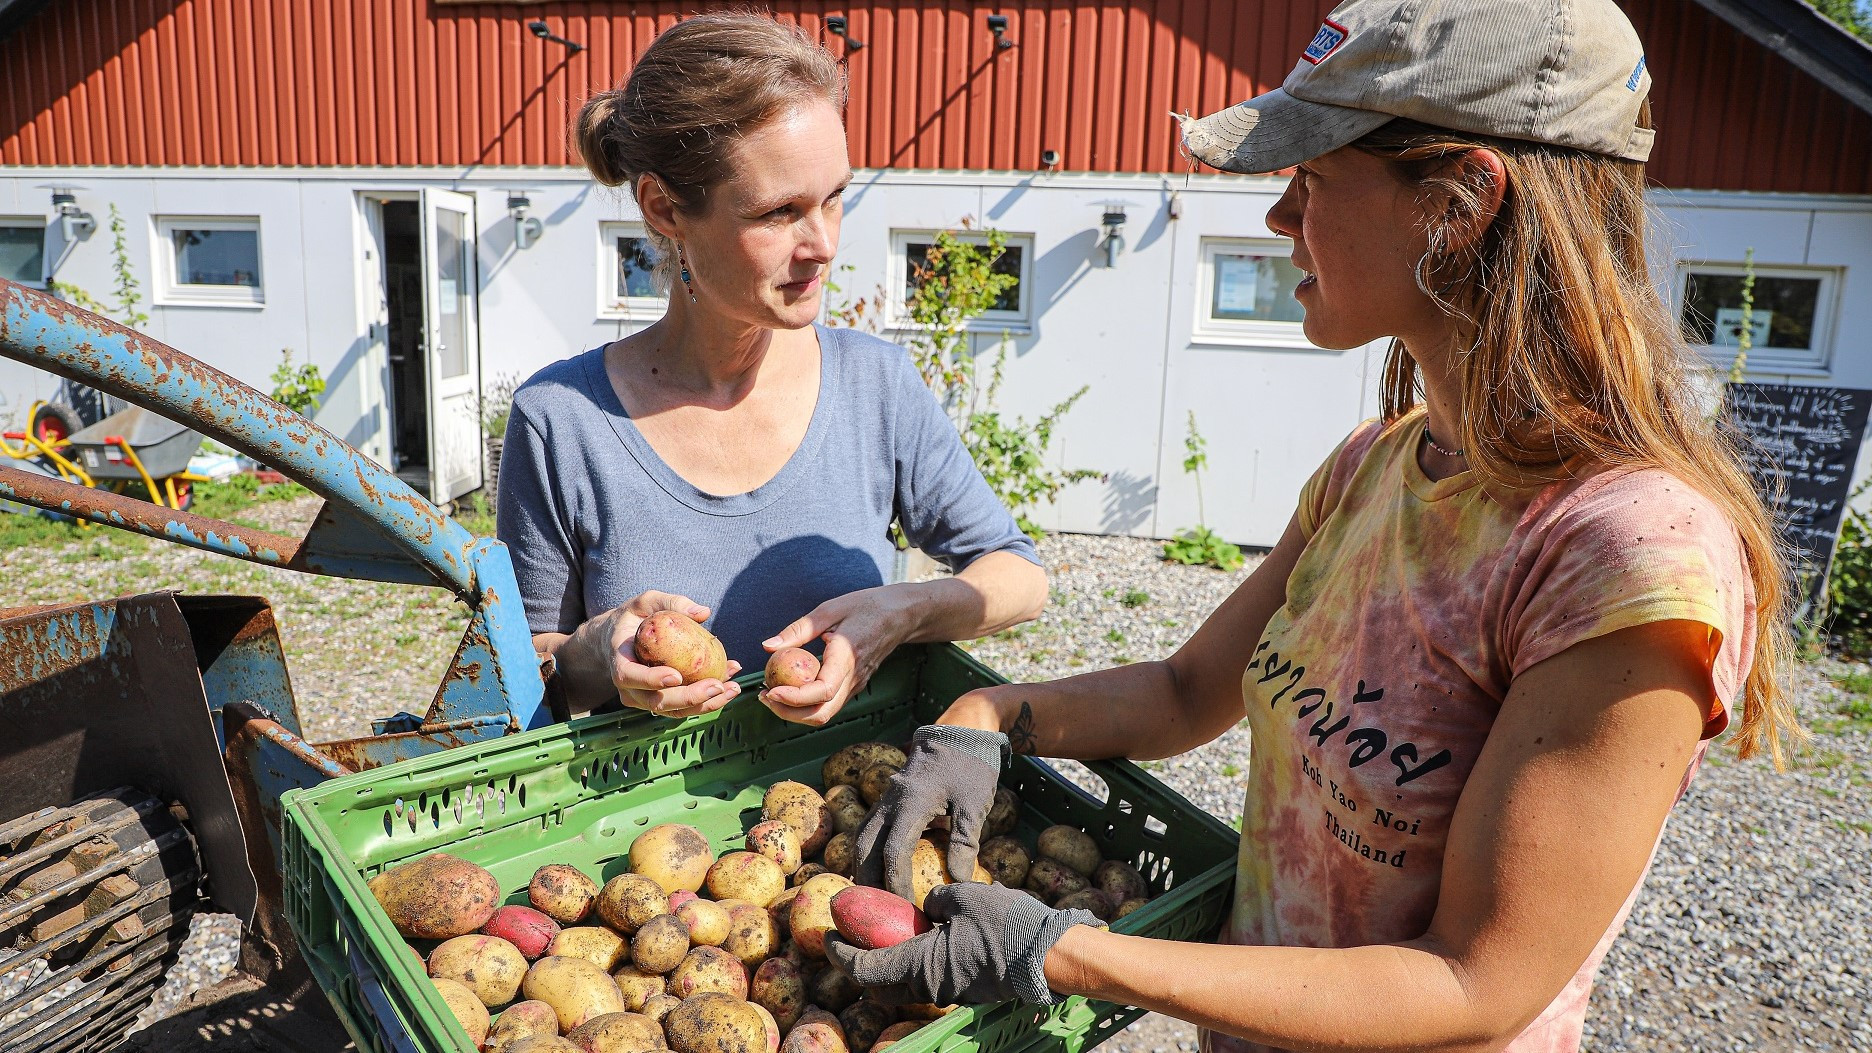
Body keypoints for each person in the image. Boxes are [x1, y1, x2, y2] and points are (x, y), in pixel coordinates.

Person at [832, 1, 1803, 1050]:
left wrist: (1060, 951)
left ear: (1462, 200)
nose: (1278, 219)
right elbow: (1185, 691)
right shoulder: (1372, 467)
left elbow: (1478, 986)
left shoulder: (1627, 557)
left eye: (1315, 178)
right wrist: (982, 718)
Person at [499, 13, 1046, 726]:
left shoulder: (874, 385)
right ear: (665, 208)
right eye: (779, 211)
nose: (822, 244)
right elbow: (518, 676)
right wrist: (599, 653)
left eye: (835, 197)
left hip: (845, 807)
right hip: (641, 827)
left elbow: (1020, 575)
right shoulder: (562, 420)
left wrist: (904, 610)